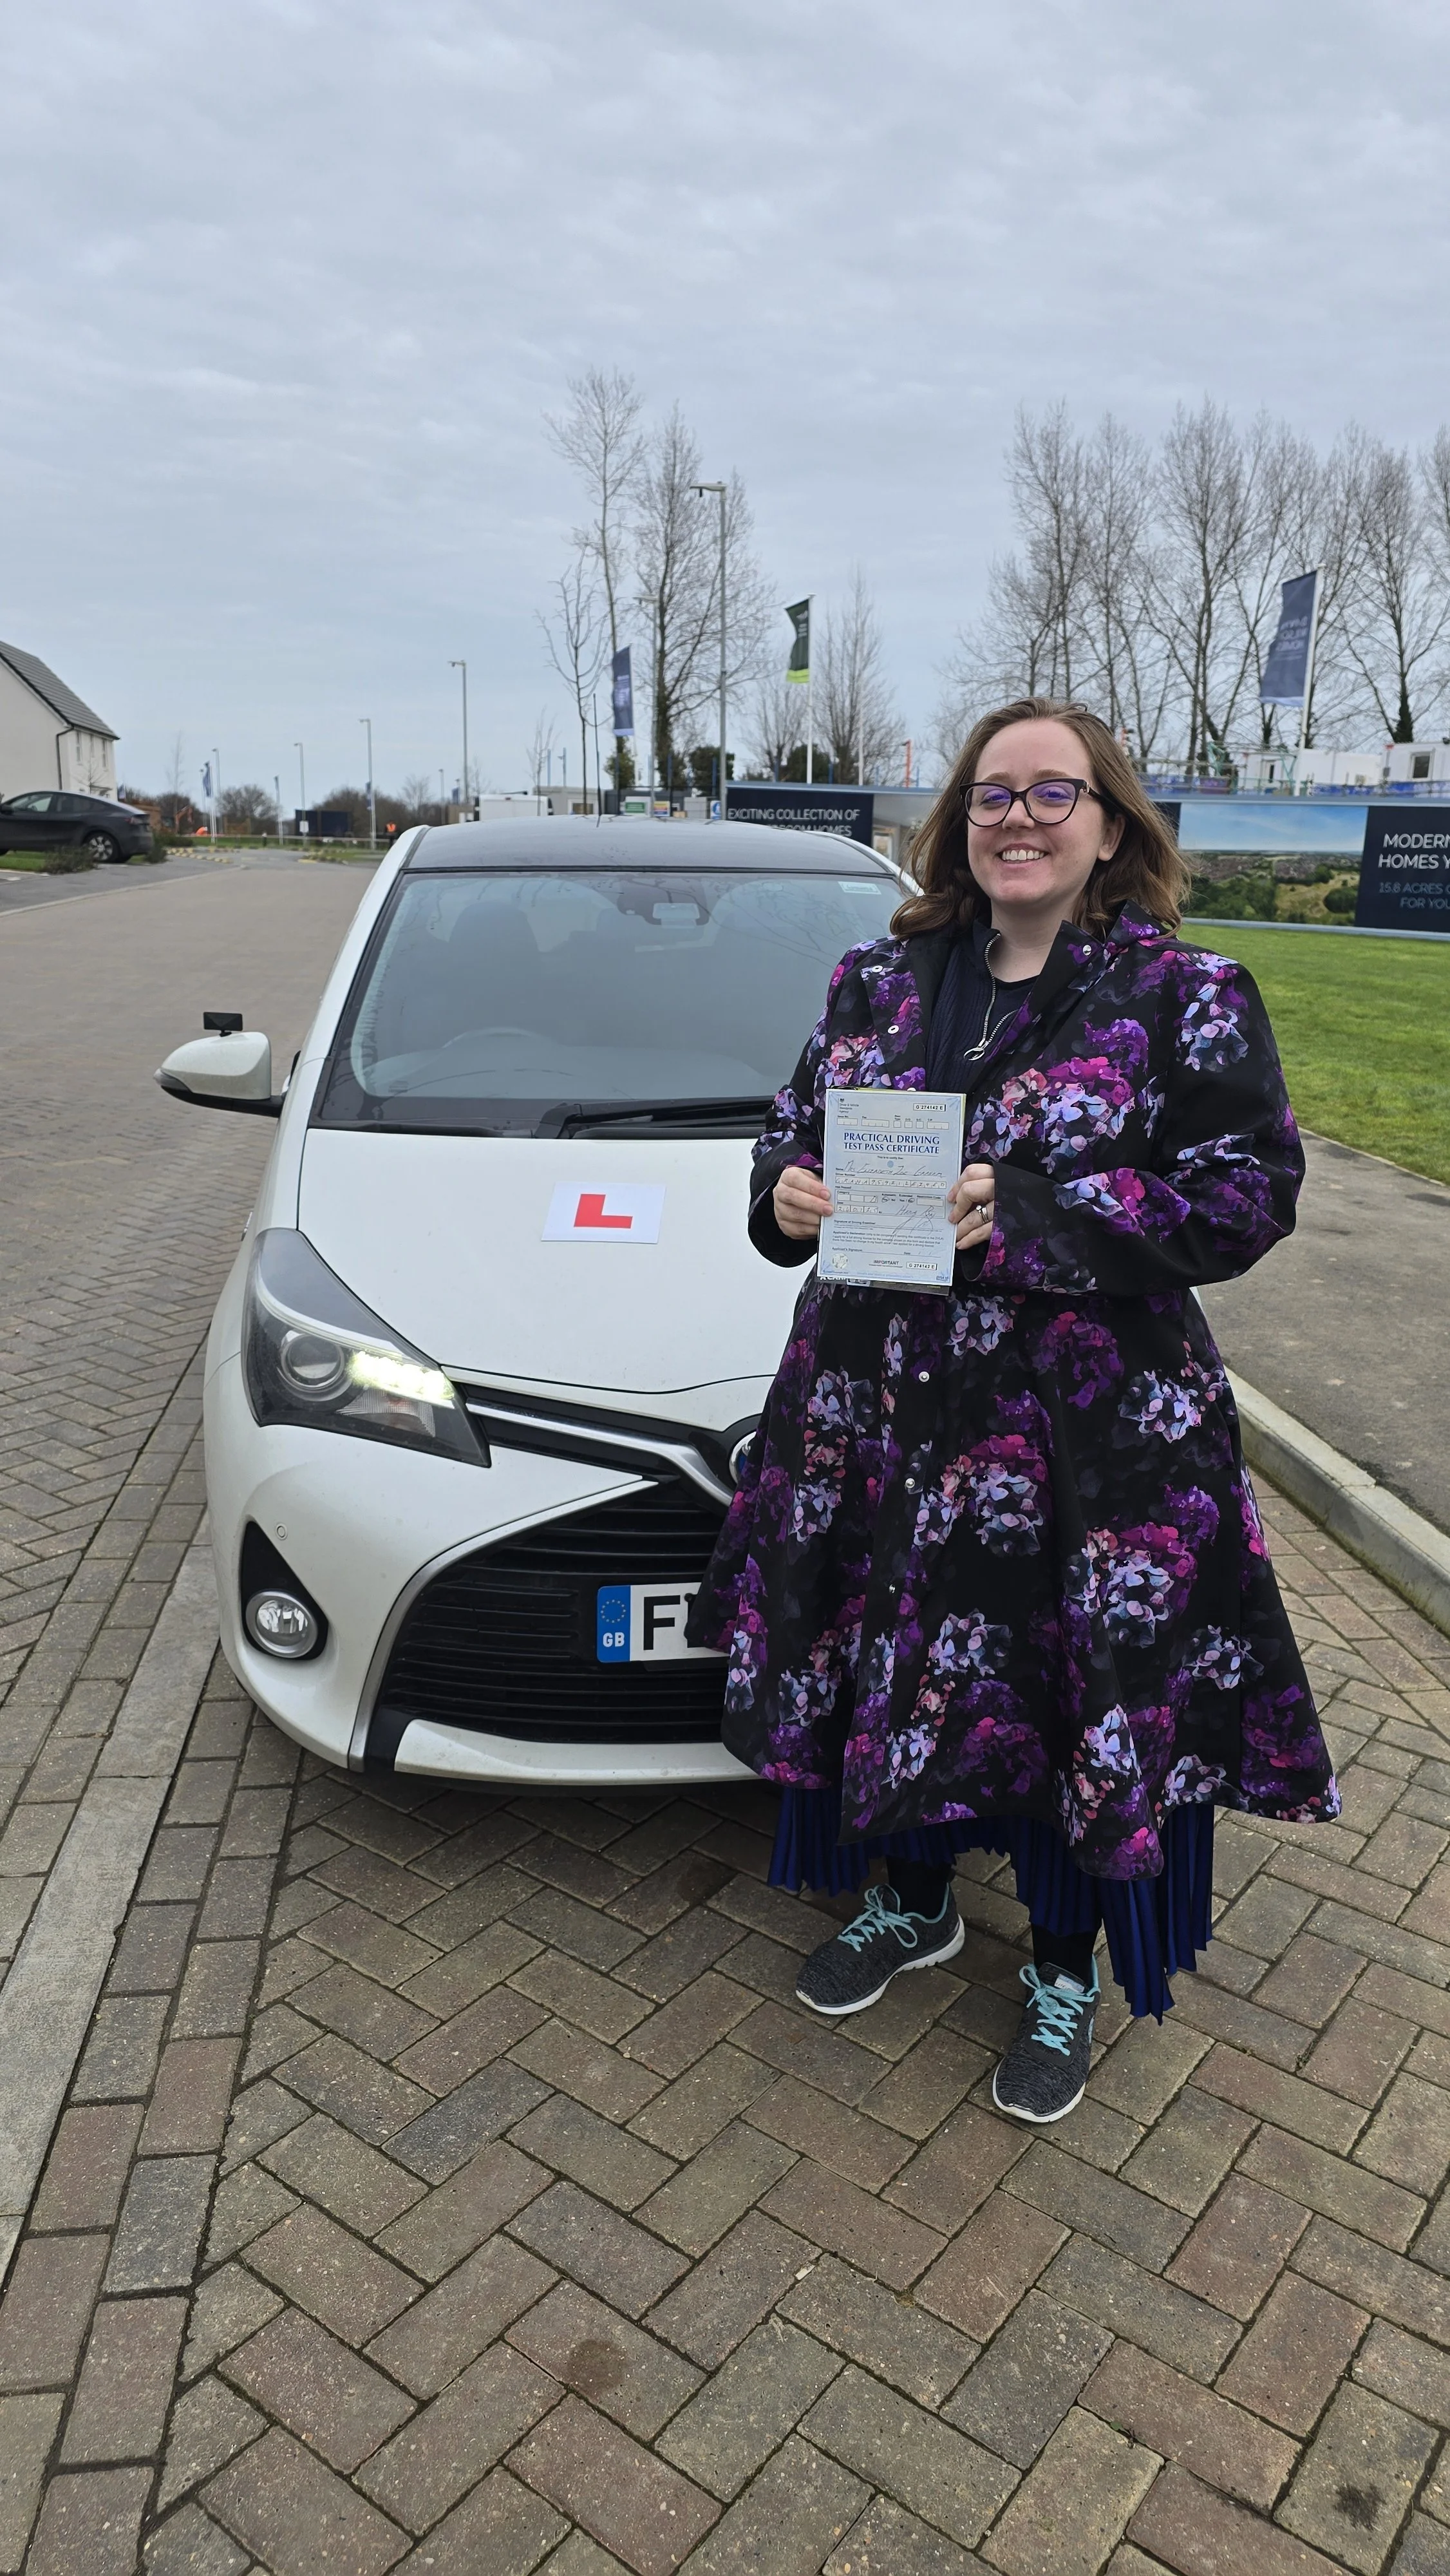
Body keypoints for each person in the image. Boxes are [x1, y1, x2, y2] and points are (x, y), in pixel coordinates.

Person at [688, 696, 1338, 2124]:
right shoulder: (875, 976)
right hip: (878, 1416)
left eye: (1055, 793)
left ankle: (1062, 1959)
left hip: (1088, 1448)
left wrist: (1036, 1209)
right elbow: (790, 1130)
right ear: (956, 820)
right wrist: (782, 1194)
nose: (1019, 817)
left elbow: (1246, 1195)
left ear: (1111, 823)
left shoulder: (1187, 992)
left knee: (1064, 1697)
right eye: (992, 793)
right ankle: (912, 1901)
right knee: (895, 1660)